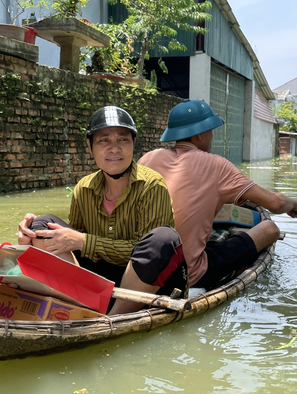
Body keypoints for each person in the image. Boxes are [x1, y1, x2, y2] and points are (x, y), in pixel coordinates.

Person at [18, 106, 187, 315]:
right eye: (104, 140)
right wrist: (31, 235)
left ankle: (114, 318)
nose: (114, 149)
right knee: (42, 224)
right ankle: (82, 305)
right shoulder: (84, 188)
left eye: (123, 140)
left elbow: (149, 253)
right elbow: (73, 251)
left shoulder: (152, 185)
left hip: (147, 285)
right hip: (104, 281)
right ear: (90, 147)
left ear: (133, 144)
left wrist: (83, 241)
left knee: (164, 238)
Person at [138, 99, 297, 290]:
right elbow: (275, 204)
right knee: (270, 228)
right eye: (211, 131)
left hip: (140, 271)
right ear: (201, 134)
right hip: (189, 276)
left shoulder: (148, 158)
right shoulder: (217, 165)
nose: (212, 137)